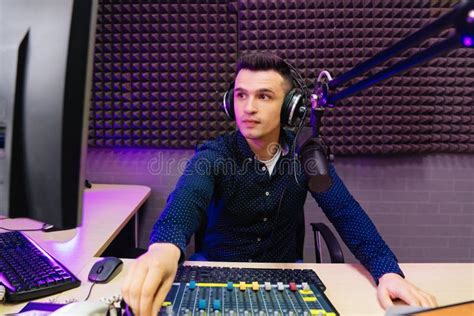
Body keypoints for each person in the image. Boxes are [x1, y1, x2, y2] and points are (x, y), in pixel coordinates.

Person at [121, 52, 437, 315]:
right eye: (241, 95)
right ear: (230, 102)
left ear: (290, 108)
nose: (249, 107)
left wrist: (387, 271)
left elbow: (345, 212)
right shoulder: (215, 155)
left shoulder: (306, 157)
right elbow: (186, 201)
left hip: (285, 273)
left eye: (264, 96)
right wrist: (163, 248)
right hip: (217, 270)